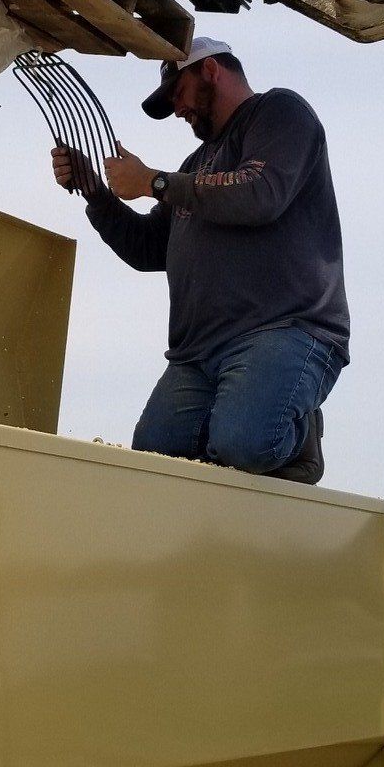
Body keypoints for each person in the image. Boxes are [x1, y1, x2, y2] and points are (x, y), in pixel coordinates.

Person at [52, 36, 349, 484]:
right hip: (199, 352)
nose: (177, 109)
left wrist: (154, 182)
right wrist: (95, 191)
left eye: (178, 93)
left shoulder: (281, 114)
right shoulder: (197, 164)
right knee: (156, 459)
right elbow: (149, 247)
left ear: (210, 70)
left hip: (284, 329)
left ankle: (299, 432)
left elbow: (259, 194)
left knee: (246, 443)